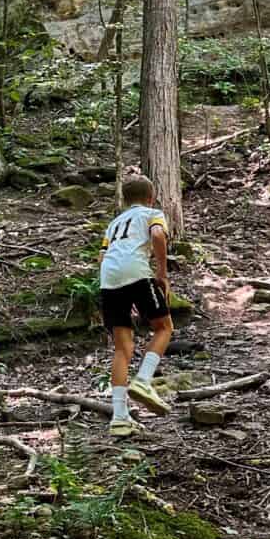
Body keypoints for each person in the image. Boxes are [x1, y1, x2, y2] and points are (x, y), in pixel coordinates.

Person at [99, 176, 172, 436]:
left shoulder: (113, 224)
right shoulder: (153, 213)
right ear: (151, 197)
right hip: (138, 273)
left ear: (125, 199)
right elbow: (157, 234)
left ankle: (119, 418)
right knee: (163, 327)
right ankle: (143, 381)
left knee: (122, 347)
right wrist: (162, 272)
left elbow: (103, 255)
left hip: (109, 279)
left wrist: (119, 288)